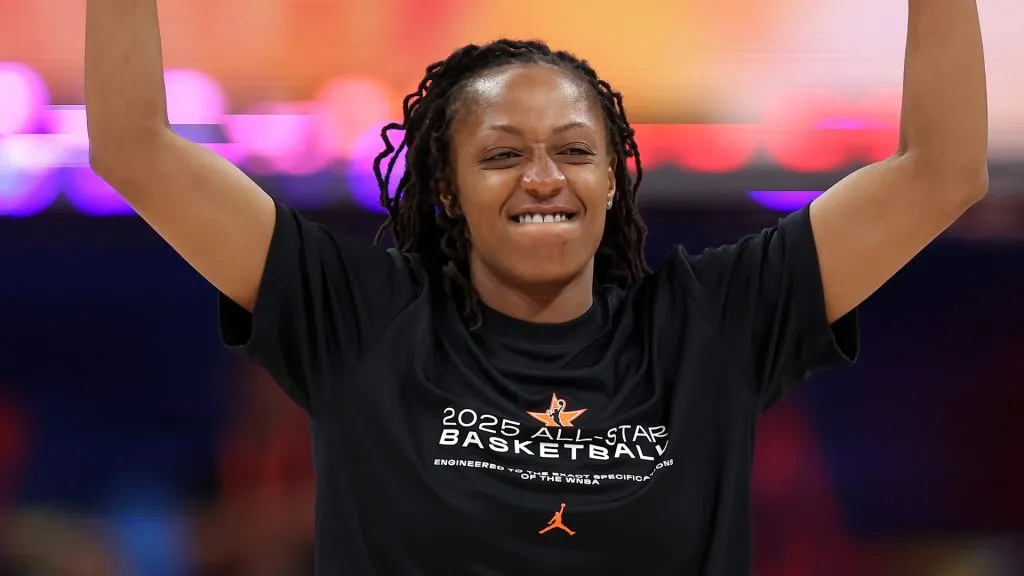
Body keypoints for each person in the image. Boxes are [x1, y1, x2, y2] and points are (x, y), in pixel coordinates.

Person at [84, 0, 989, 573]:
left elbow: (942, 174)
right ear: (446, 188)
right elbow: (136, 151)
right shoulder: (359, 319)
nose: (544, 176)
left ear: (613, 180)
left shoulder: (711, 322)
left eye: (574, 151)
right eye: (502, 154)